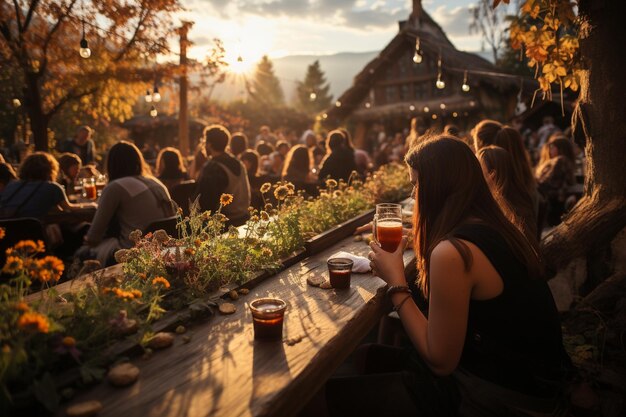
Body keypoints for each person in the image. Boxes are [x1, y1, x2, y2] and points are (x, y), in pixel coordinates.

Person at [323, 136, 571, 416]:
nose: (414, 195)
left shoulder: (452, 252)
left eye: (416, 185)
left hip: (505, 395)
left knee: (327, 397)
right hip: (535, 382)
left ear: (438, 188)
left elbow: (441, 361)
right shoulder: (494, 225)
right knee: (367, 355)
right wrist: (417, 239)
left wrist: (396, 282)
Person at [83, 141, 174, 266]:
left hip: (134, 253)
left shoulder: (115, 187)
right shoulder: (155, 183)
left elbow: (93, 237)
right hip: (167, 249)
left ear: (111, 164)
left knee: (81, 254)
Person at [0, 152, 93, 219]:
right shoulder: (52, 187)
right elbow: (69, 208)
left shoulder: (11, 186)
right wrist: (92, 205)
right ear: (51, 169)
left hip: (8, 232)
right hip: (32, 233)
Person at [477, 146, 537, 241]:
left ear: (492, 174)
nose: (476, 176)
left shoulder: (502, 211)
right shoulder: (522, 198)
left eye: (479, 171)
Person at [195, 125, 251, 226]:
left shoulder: (213, 167)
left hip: (226, 224)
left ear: (209, 145)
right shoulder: (238, 162)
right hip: (244, 218)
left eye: (204, 142)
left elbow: (204, 204)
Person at [535, 137, 576, 226]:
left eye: (553, 147)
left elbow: (548, 181)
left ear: (561, 149)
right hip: (553, 199)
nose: (550, 150)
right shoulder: (561, 161)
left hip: (551, 200)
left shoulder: (560, 160)